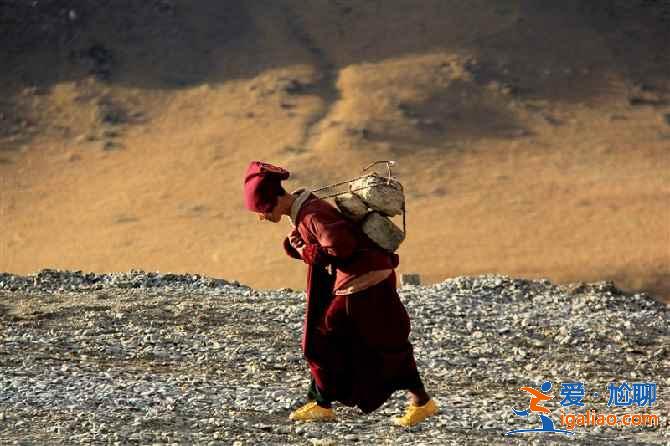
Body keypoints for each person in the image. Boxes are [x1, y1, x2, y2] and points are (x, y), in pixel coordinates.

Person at [243, 160, 438, 427]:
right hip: (370, 278)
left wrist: (306, 252)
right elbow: (325, 244)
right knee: (382, 341)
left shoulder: (311, 213)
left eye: (261, 210)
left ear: (272, 201)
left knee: (325, 339)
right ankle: (418, 402)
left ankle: (325, 403)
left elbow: (341, 246)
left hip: (362, 283)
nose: (261, 217)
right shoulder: (304, 210)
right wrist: (298, 247)